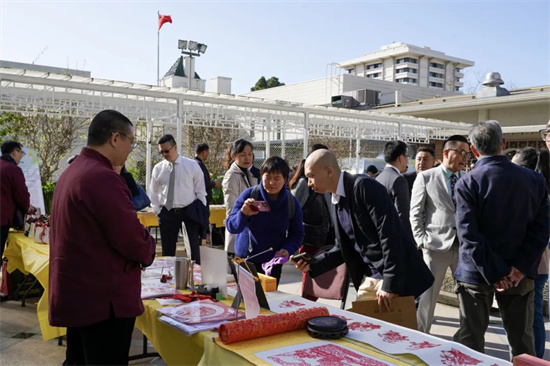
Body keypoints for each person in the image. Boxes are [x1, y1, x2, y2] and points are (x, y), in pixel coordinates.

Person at [49, 110, 156, 365]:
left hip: (80, 292)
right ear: (115, 138)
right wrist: (149, 247)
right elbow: (130, 239)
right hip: (103, 300)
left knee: (78, 359)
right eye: (132, 141)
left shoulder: (74, 171)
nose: (132, 148)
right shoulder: (102, 177)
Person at [453, 120, 549, 358]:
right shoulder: (534, 180)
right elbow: (541, 229)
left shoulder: (468, 181)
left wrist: (496, 273)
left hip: (476, 272)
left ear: (474, 150)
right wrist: (518, 269)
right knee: (522, 343)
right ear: (503, 144)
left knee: (471, 341)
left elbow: (469, 235)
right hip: (520, 273)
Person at [296, 149, 434, 310]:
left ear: (329, 171)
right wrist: (313, 264)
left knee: (393, 333)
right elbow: (344, 248)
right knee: (365, 331)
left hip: (393, 277)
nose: (309, 182)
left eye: (311, 176)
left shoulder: (364, 187)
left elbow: (391, 235)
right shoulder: (336, 199)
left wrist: (390, 284)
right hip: (370, 278)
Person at [410, 135, 470, 333]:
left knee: (466, 297)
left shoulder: (467, 179)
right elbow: (415, 212)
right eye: (461, 153)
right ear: (446, 152)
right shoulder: (426, 177)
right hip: (434, 246)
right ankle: (422, 336)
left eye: (467, 154)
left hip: (462, 247)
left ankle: (465, 339)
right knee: (428, 297)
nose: (464, 158)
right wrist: (421, 240)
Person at [226, 156, 304, 286]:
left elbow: (297, 234)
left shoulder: (291, 203)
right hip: (246, 261)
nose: (271, 183)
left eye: (277, 178)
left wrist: (287, 249)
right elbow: (231, 226)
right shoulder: (249, 195)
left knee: (268, 302)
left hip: (272, 264)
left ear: (285, 179)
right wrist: (243, 214)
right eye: (267, 178)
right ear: (261, 176)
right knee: (244, 302)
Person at [511, 147, 550, 359]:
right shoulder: (540, 186)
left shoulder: (534, 190)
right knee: (532, 315)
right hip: (539, 261)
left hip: (533, 262)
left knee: (532, 316)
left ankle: (534, 358)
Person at [148, 134, 208, 263]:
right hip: (167, 213)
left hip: (189, 212)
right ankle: (169, 279)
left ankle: (195, 279)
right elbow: (153, 191)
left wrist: (200, 210)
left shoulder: (191, 165)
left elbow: (201, 191)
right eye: (161, 152)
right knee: (167, 252)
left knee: (193, 251)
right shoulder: (158, 168)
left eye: (166, 151)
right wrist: (158, 211)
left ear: (175, 147)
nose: (164, 154)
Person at [289, 145, 334, 300]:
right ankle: (305, 308)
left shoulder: (326, 182)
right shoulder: (304, 183)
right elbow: (292, 210)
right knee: (309, 282)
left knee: (319, 280)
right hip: (309, 239)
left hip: (324, 239)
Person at [222, 139, 258, 254]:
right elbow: (231, 208)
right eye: (242, 155)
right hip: (238, 232)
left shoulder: (252, 173)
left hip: (251, 231)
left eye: (250, 154)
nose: (247, 158)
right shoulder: (231, 176)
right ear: (233, 156)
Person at [0, 141, 31, 260]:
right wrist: (27, 207)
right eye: (21, 153)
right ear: (14, 152)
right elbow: (21, 195)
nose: (21, 156)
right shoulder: (13, 169)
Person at [376, 140, 413, 237]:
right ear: (400, 158)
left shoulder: (378, 178)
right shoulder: (399, 180)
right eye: (407, 156)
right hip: (395, 237)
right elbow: (403, 215)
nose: (407, 160)